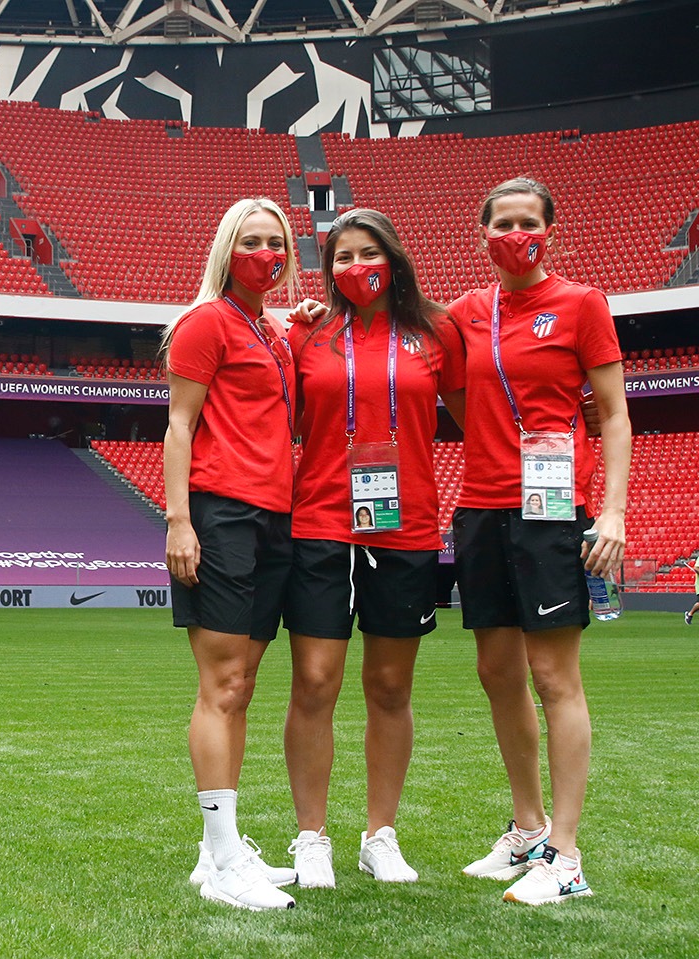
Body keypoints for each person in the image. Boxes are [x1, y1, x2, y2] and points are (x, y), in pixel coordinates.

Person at [441, 177, 631, 906]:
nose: (515, 233)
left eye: (528, 222)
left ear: (548, 230)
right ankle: (526, 828)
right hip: (482, 508)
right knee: (496, 671)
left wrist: (610, 512)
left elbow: (612, 415)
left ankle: (567, 852)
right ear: (481, 233)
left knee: (554, 677)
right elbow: (445, 384)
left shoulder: (581, 305)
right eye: (502, 223)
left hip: (553, 511)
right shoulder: (464, 314)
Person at [281, 209, 465, 888]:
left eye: (368, 252)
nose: (355, 266)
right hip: (320, 525)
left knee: (389, 686)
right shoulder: (308, 331)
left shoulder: (437, 332)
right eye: (341, 256)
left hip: (406, 526)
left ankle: (378, 834)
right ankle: (310, 836)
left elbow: (481, 416)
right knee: (314, 683)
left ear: (393, 256)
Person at [163, 196, 307, 911]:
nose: (265, 253)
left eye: (275, 241)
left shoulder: (270, 331)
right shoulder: (204, 323)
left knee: (242, 683)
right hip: (219, 514)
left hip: (272, 518)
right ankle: (223, 863)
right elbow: (179, 425)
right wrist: (178, 520)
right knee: (220, 684)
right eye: (251, 240)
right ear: (226, 248)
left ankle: (213, 850)